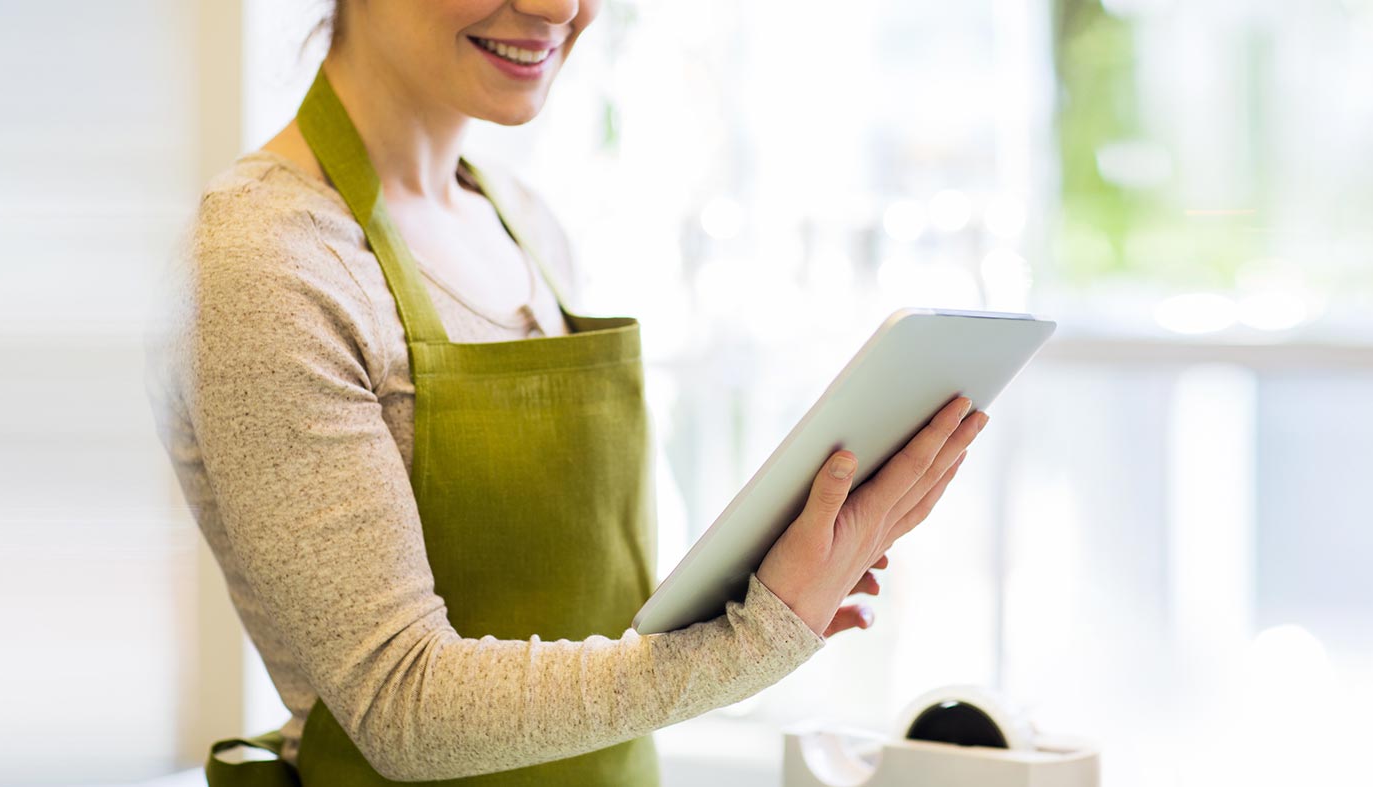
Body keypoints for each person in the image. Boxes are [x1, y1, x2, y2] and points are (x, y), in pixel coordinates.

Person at [148, 0, 990, 784]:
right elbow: (399, 703)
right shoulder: (263, 260)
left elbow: (577, 611)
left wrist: (774, 567)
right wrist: (759, 637)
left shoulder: (521, 217)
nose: (559, 8)